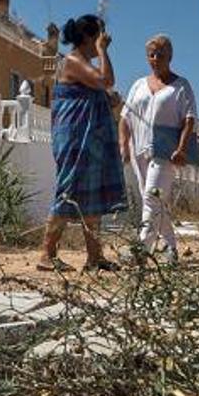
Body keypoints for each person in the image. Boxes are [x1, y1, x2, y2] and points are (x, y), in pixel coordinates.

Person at [38, 14, 126, 273]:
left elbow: (95, 92)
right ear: (90, 36)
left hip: (90, 138)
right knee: (67, 191)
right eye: (100, 35)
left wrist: (106, 101)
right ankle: (46, 253)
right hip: (75, 137)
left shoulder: (83, 64)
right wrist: (102, 51)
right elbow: (107, 81)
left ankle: (95, 257)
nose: (104, 39)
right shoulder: (74, 61)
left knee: (92, 195)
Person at [119, 34, 197, 262]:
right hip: (139, 150)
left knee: (152, 197)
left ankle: (141, 249)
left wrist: (181, 148)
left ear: (170, 56)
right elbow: (125, 117)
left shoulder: (181, 86)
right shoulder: (138, 85)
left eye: (160, 55)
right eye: (151, 55)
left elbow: (190, 119)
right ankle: (171, 248)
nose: (155, 59)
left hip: (166, 153)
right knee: (153, 199)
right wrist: (123, 143)